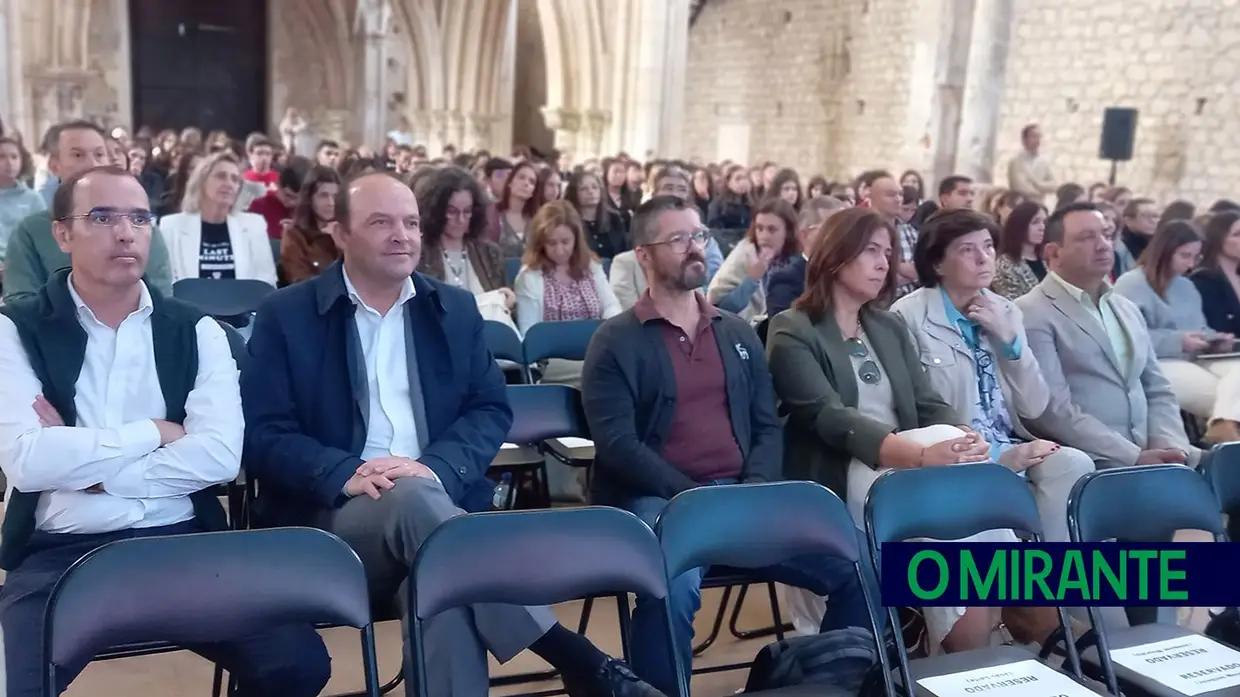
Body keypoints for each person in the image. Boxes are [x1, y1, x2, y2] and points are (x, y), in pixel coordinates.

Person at [240, 171, 660, 697]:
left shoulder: (451, 309)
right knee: (418, 506)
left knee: (439, 585)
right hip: (331, 524)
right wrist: (344, 473)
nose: (402, 235)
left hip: (437, 513)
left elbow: (488, 409)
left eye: (411, 223)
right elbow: (261, 433)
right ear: (340, 234)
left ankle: (573, 660)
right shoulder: (288, 316)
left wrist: (435, 468)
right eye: (381, 222)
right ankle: (573, 655)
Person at [0, 165, 329, 697]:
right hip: (60, 549)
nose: (126, 232)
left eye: (139, 218)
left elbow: (221, 457)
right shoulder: (15, 328)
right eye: (102, 217)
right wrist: (153, 431)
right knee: (17, 684)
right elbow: (28, 461)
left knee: (296, 662)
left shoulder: (196, 330)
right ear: (62, 233)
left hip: (180, 539)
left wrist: (93, 474)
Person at [581, 195, 871, 694]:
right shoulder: (616, 340)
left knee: (858, 561)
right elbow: (618, 444)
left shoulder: (735, 332)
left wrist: (752, 490)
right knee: (670, 585)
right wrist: (696, 498)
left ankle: (829, 683)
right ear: (644, 256)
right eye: (678, 239)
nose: (695, 248)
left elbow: (765, 426)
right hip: (660, 499)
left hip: (741, 493)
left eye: (699, 236)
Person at [766, 207, 1010, 653]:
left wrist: (962, 430)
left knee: (973, 512)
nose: (885, 263)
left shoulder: (887, 325)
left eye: (889, 252)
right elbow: (828, 417)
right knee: (959, 511)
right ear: (837, 256)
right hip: (843, 471)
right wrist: (919, 455)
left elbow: (924, 400)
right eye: (871, 251)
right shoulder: (792, 330)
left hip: (913, 468)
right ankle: (971, 654)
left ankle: (970, 650)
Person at [891, 209, 1094, 542]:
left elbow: (1034, 405)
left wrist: (1009, 342)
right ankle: (1008, 582)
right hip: (955, 450)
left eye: (987, 246)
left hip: (1010, 441)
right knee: (986, 479)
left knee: (1073, 464)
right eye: (967, 249)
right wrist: (998, 457)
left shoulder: (1006, 310)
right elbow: (917, 410)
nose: (983, 258)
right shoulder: (909, 316)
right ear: (938, 264)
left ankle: (1055, 581)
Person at [1016, 202, 1197, 468]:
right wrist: (1133, 456)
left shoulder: (1125, 308)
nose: (1103, 245)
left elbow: (1157, 388)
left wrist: (1169, 446)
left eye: (1106, 234)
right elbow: (1052, 411)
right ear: (1054, 253)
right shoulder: (1031, 312)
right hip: (1093, 459)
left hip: (1152, 450)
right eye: (1087, 238)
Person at [3, 121, 173, 303]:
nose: (92, 163)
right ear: (54, 166)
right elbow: (20, 301)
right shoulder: (30, 231)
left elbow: (160, 297)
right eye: (78, 155)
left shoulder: (138, 228)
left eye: (99, 154)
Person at [1113, 220, 1238, 422]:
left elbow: (1198, 327)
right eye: (1185, 255)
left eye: (1195, 257)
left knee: (1236, 378)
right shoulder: (1131, 284)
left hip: (1196, 356)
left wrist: (1215, 339)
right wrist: (1179, 341)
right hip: (1157, 361)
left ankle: (1222, 428)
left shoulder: (1186, 286)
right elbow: (1126, 338)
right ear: (1165, 250)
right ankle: (1223, 428)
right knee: (1218, 395)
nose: (1190, 264)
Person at [159, 151, 277, 285]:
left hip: (244, 305)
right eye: (221, 176)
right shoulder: (171, 226)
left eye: (235, 179)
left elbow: (266, 282)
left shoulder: (254, 225)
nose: (229, 184)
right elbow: (167, 284)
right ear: (201, 182)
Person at [706, 198, 799, 324]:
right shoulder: (745, 255)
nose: (764, 236)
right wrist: (751, 280)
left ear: (788, 232)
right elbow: (721, 309)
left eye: (772, 230)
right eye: (759, 229)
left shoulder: (797, 259)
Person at [766, 196, 847, 317]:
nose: (843, 237)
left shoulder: (851, 274)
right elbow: (784, 329)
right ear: (804, 235)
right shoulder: (787, 280)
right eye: (833, 230)